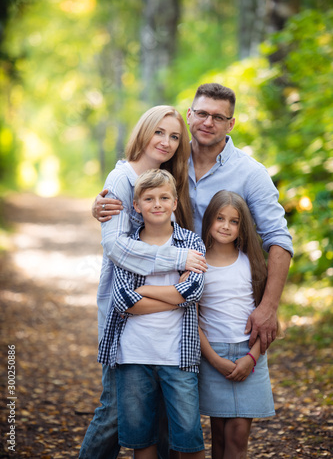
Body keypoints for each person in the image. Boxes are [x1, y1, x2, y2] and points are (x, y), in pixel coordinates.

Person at [94, 82, 293, 355]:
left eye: (218, 117)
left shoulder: (251, 174)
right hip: (165, 301)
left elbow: (279, 239)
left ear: (231, 123)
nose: (208, 122)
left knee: (221, 387)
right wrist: (102, 204)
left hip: (225, 305)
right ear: (189, 115)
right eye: (202, 114)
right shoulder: (168, 160)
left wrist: (269, 307)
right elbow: (133, 181)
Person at [79, 106, 207, 459]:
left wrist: (177, 287)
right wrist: (178, 261)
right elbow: (116, 245)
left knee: (161, 418)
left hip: (166, 332)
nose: (166, 142)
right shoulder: (123, 179)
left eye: (175, 136)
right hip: (127, 321)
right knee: (115, 413)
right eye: (159, 132)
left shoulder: (164, 177)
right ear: (144, 131)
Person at [99, 169, 206, 459]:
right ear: (136, 206)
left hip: (178, 355)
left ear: (174, 203)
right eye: (148, 198)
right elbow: (123, 301)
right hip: (133, 354)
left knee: (189, 440)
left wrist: (144, 291)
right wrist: (175, 293)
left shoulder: (191, 244)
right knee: (141, 441)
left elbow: (193, 293)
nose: (157, 204)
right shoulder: (127, 247)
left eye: (164, 198)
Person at [198, 190, 276, 458]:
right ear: (209, 220)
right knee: (218, 435)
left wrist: (251, 359)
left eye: (234, 221)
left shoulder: (252, 263)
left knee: (238, 435)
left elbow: (267, 322)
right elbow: (191, 320)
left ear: (242, 227)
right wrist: (215, 360)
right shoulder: (198, 264)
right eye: (220, 218)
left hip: (249, 354)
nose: (225, 226)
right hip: (212, 355)